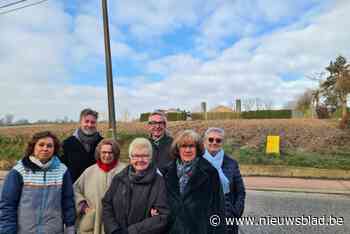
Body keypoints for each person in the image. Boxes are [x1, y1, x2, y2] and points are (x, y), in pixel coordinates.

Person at [0, 131, 76, 234]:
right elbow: (8, 205)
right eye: (41, 145)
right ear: (33, 147)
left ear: (54, 149)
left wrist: (70, 227)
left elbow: (68, 202)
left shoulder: (62, 171)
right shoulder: (19, 171)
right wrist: (7, 230)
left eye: (49, 146)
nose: (45, 148)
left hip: (53, 230)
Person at [161, 130, 226, 234]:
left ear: (197, 149)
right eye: (184, 146)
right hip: (170, 230)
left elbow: (218, 209)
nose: (187, 150)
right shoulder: (165, 172)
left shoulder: (210, 173)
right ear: (178, 149)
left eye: (191, 146)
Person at [102, 138, 169, 234]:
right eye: (136, 156)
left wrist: (131, 232)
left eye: (144, 156)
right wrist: (113, 229)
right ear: (130, 158)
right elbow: (107, 204)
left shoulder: (158, 182)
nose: (140, 160)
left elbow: (162, 217)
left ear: (150, 158)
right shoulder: (119, 178)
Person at [74, 139, 127, 234]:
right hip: (93, 222)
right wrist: (83, 207)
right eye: (104, 152)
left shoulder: (125, 170)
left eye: (110, 152)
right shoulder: (89, 172)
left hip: (117, 223)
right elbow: (75, 190)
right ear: (99, 153)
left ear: (115, 153)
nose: (107, 155)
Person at [203, 127, 246, 234]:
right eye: (211, 139)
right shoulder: (197, 161)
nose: (214, 142)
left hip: (227, 216)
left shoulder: (231, 163)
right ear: (205, 141)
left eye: (218, 140)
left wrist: (236, 212)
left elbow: (240, 191)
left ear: (222, 142)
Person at [61, 108, 103, 182]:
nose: (89, 125)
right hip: (74, 187)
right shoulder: (67, 144)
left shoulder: (102, 143)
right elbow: (62, 168)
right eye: (86, 121)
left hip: (97, 184)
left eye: (93, 122)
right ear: (80, 122)